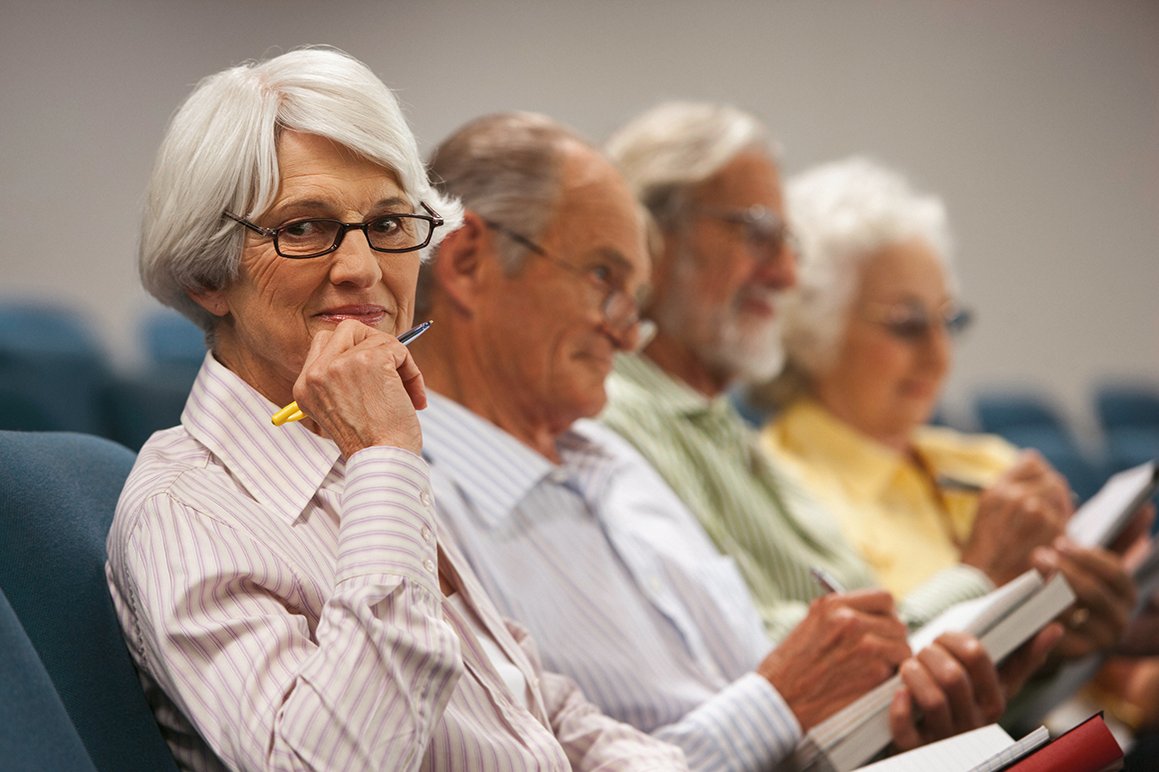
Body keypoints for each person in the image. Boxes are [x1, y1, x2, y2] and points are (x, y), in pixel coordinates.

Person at [408, 110, 1053, 770]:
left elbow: (792, 697)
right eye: (603, 277)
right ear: (466, 262)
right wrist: (780, 702)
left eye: (633, 296)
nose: (631, 337)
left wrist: (901, 727)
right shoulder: (412, 515)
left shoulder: (612, 462)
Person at [105, 48, 686, 771]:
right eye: (305, 228)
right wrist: (385, 459)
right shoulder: (186, 511)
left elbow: (532, 706)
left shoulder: (354, 456)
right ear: (205, 275)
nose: (362, 269)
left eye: (386, 225)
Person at [599, 101, 1136, 655]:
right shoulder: (610, 419)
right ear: (651, 238)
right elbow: (766, 666)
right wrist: (981, 580)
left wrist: (1050, 651)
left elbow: (898, 687)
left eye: (949, 322)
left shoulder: (724, 432)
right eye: (757, 232)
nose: (786, 274)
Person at [753, 154, 1155, 741]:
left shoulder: (988, 464)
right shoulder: (782, 486)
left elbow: (1119, 684)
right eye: (908, 325)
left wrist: (1110, 618)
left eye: (951, 321)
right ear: (816, 326)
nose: (940, 357)